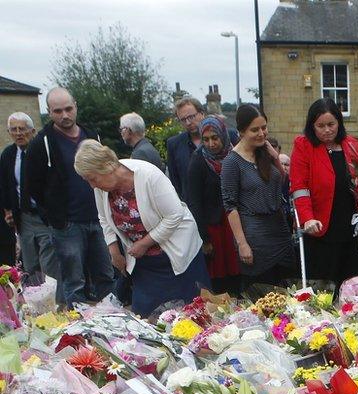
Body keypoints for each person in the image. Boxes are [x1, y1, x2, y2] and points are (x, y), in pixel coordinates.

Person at [74, 140, 210, 316]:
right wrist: (113, 250)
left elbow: (174, 215)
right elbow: (104, 218)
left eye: (92, 179)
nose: (92, 185)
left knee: (188, 314)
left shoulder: (149, 176)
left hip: (176, 255)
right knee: (145, 315)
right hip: (143, 261)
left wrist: (144, 243)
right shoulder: (101, 187)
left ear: (106, 167)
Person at [22, 87, 115, 306]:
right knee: (73, 280)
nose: (64, 115)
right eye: (57, 111)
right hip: (67, 224)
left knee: (105, 274)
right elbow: (32, 186)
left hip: (98, 218)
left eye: (68, 109)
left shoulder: (92, 136)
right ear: (49, 112)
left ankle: (114, 320)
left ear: (75, 107)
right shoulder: (41, 143)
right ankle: (78, 331)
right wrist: (54, 218)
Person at [289, 98, 358, 287]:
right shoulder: (303, 146)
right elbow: (299, 187)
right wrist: (307, 218)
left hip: (351, 228)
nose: (327, 130)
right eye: (321, 126)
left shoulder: (351, 145)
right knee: (323, 287)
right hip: (319, 229)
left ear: (339, 123)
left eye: (331, 124)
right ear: (312, 126)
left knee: (353, 287)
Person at [222, 104, 295, 288]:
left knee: (288, 290)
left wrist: (276, 158)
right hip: (254, 235)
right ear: (241, 132)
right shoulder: (232, 162)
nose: (262, 133)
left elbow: (281, 182)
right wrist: (242, 244)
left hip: (279, 229)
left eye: (264, 128)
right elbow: (230, 206)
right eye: (255, 130)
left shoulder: (265, 151)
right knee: (261, 292)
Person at [185, 116, 242, 295]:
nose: (211, 143)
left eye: (215, 138)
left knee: (240, 270)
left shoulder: (235, 155)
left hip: (236, 221)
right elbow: (194, 201)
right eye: (206, 139)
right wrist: (204, 239)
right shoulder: (198, 161)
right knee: (219, 275)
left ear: (223, 136)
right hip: (214, 227)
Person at [3, 113, 55, 278]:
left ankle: (54, 296)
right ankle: (34, 298)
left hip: (44, 215)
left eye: (22, 129)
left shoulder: (43, 151)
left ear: (32, 131)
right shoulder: (8, 155)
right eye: (14, 129)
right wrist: (8, 210)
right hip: (23, 216)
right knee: (29, 262)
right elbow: (5, 185)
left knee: (49, 260)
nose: (18, 133)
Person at [166, 97, 206, 198]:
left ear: (202, 113)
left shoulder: (218, 138)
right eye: (183, 120)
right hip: (190, 207)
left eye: (191, 117)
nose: (188, 123)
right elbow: (175, 180)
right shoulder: (174, 144)